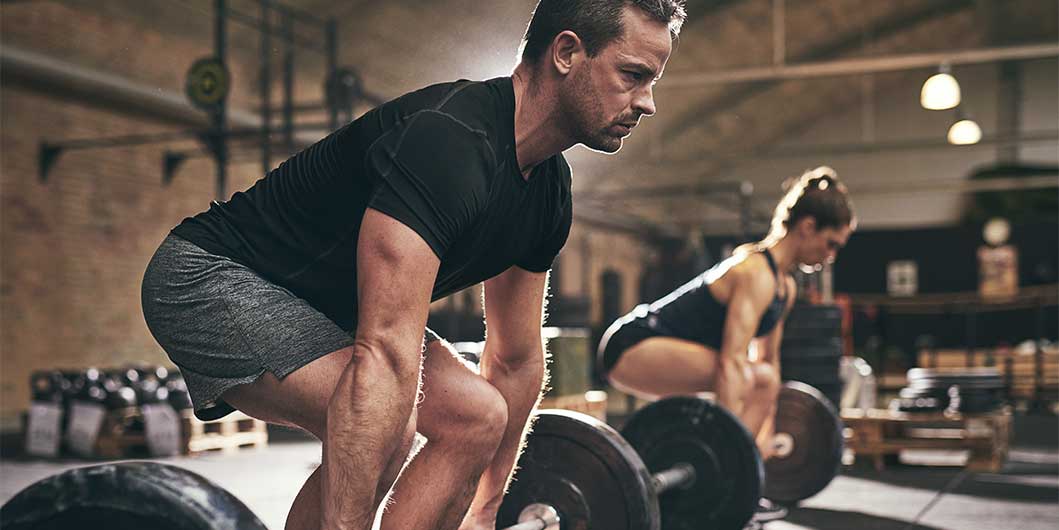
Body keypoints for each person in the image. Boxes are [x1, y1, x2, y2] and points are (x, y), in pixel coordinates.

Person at [141, 2, 686, 529]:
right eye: (633, 75)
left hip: (329, 311)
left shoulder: (547, 193)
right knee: (389, 425)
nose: (647, 103)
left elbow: (516, 361)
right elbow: (383, 353)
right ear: (566, 52)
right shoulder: (449, 143)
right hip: (213, 278)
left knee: (477, 416)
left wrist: (487, 512)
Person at [597, 166, 856, 461]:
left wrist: (766, 436)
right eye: (831, 243)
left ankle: (737, 467)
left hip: (669, 351)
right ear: (808, 227)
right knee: (746, 375)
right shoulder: (755, 273)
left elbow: (769, 362)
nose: (830, 255)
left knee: (765, 377)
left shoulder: (784, 286)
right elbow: (731, 363)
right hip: (630, 345)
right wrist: (722, 451)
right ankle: (725, 464)